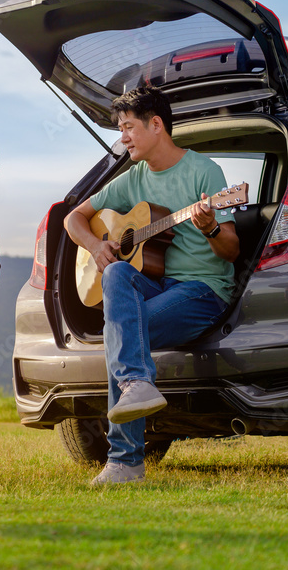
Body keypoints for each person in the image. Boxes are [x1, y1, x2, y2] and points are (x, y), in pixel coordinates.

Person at [63, 85, 240, 486]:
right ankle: (137, 384)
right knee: (116, 273)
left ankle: (125, 461)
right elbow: (73, 218)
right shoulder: (131, 179)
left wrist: (211, 226)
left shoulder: (205, 172)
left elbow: (230, 251)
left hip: (203, 289)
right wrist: (95, 245)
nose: (122, 137)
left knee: (121, 330)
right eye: (120, 129)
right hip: (159, 287)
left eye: (128, 127)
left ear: (156, 125)